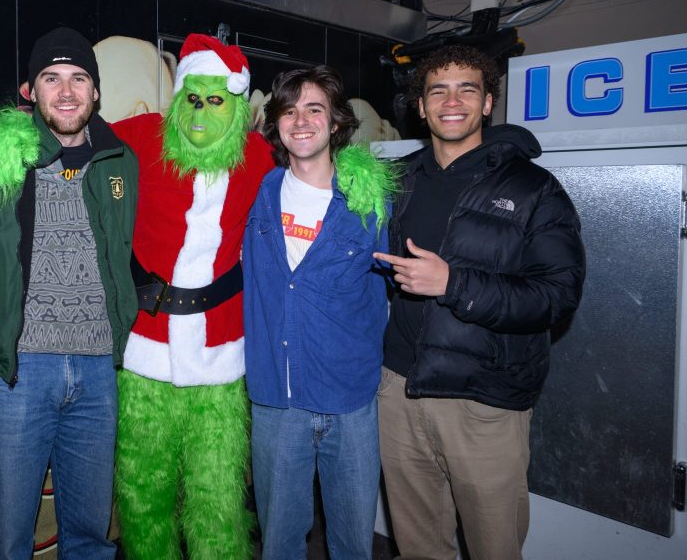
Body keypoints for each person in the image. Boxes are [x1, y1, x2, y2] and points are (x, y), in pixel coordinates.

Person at [373, 44, 586, 560]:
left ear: (488, 103)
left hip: (483, 401)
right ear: (420, 106)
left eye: (467, 89)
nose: (452, 101)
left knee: (495, 549)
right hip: (399, 391)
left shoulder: (534, 189)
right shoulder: (399, 181)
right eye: (437, 91)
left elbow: (557, 296)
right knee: (418, 549)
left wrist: (454, 283)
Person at [0, 26, 138, 560]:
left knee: (90, 539)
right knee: (7, 541)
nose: (66, 91)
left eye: (79, 78)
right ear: (29, 89)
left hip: (99, 372)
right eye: (51, 78)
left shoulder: (120, 159)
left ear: (96, 91)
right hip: (18, 372)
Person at [110, 34, 273, 560]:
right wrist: (17, 133)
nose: (201, 113)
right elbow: (71, 135)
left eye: (216, 100)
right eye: (193, 99)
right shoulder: (144, 136)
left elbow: (314, 170)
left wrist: (356, 174)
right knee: (143, 493)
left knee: (217, 499)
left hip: (220, 359)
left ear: (238, 107)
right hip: (145, 352)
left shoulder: (258, 157)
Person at [243, 65, 395, 560]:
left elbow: (395, 286)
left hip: (349, 400)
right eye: (289, 111)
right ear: (276, 124)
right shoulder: (260, 193)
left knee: (352, 544)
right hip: (277, 400)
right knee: (279, 543)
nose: (302, 121)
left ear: (335, 122)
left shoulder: (368, 201)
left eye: (315, 109)